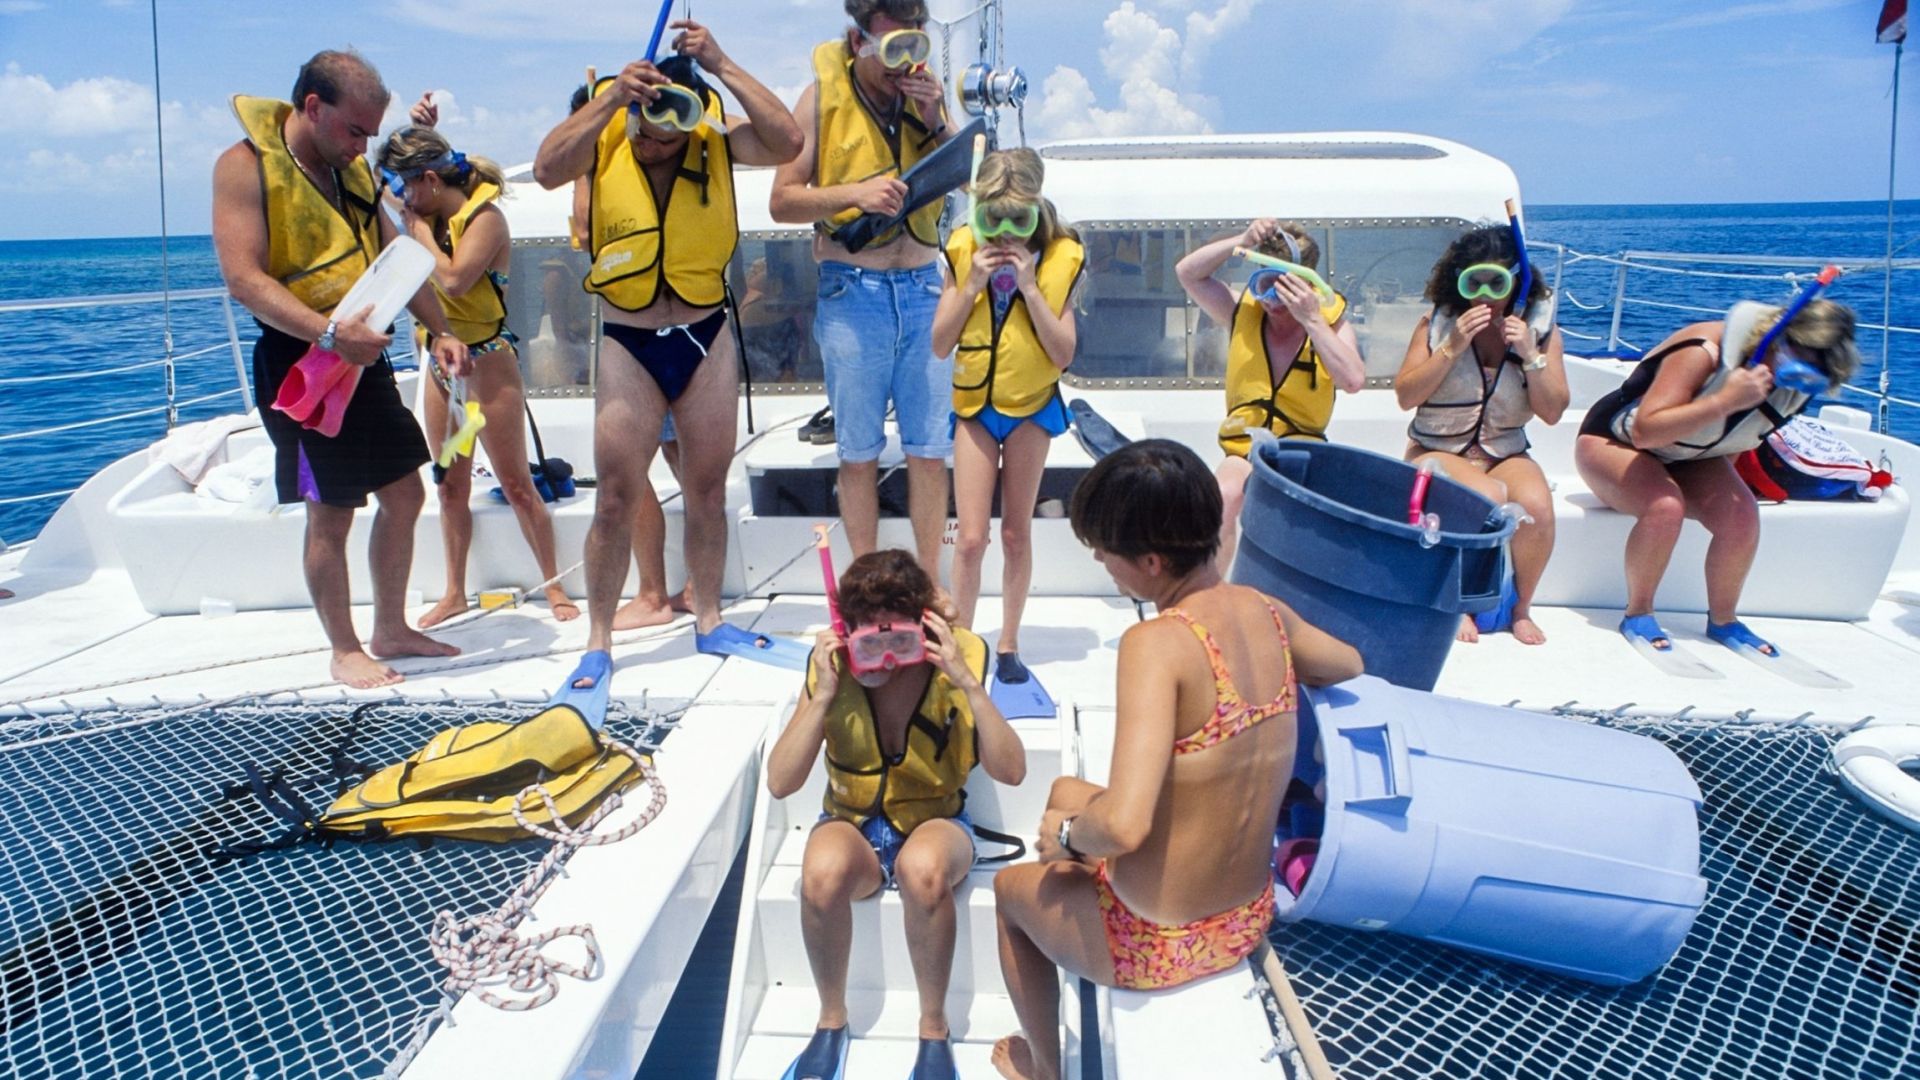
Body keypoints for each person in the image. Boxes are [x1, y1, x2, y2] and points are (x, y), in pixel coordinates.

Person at [988, 440, 1362, 1080]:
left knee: (1009, 889)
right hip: (1247, 915)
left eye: (1106, 550)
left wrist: (1070, 839)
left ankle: (1045, 1071)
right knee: (1067, 790)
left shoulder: (1157, 644)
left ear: (1154, 561)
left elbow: (1127, 827)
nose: (1102, 561)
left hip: (1159, 942)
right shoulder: (1266, 612)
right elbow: (1349, 663)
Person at [532, 21, 802, 685]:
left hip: (704, 336)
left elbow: (789, 140)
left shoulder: (713, 138)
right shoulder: (605, 137)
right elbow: (544, 170)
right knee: (615, 499)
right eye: (646, 127)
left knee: (707, 493)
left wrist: (722, 61)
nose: (654, 141)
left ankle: (708, 620)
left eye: (669, 130)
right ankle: (599, 640)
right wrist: (608, 99)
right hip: (629, 338)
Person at [212, 49, 468, 689]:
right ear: (313, 106)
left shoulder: (352, 174)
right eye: (355, 130)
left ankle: (390, 628)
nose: (363, 146)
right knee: (330, 509)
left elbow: (399, 257)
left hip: (364, 361)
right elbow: (243, 279)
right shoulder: (243, 168)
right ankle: (344, 648)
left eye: (370, 133)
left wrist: (441, 329)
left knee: (405, 493)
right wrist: (329, 333)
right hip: (301, 369)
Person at [766, 549, 1027, 1080]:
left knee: (922, 870)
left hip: (938, 822)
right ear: (845, 631)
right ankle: (831, 1020)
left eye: (900, 643)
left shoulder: (959, 660)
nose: (884, 659)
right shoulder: (831, 669)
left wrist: (968, 683)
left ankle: (934, 1029)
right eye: (870, 644)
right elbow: (779, 782)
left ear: (924, 629)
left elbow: (1014, 771)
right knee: (819, 873)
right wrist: (821, 700)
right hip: (853, 824)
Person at [770, 0, 959, 577]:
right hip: (855, 291)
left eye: (916, 42)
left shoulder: (927, 96)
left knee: (930, 452)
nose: (907, 61)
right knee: (859, 452)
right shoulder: (818, 99)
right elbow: (783, 200)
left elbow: (974, 173)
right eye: (892, 47)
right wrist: (855, 193)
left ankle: (927, 584)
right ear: (858, 42)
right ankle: (869, 586)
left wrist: (937, 121)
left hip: (926, 288)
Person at [375, 122, 579, 628]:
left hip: (489, 368)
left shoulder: (484, 219)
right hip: (443, 374)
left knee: (515, 483)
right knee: (449, 484)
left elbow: (455, 280)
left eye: (404, 187)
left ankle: (553, 586)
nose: (401, 200)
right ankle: (453, 592)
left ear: (427, 179)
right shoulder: (428, 215)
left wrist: (414, 229)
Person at [1575, 296, 1860, 657]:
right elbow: (1645, 431)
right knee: (1665, 506)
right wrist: (1724, 401)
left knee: (1741, 516)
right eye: (1793, 365)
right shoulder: (1703, 350)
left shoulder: (1799, 382)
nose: (1794, 379)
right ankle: (1639, 612)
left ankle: (1724, 620)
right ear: (1775, 338)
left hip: (1693, 454)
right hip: (1612, 443)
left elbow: (1739, 438)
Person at [930, 148, 1083, 683]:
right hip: (975, 408)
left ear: (1036, 211)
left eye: (1019, 219)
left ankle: (1010, 644)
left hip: (1031, 408)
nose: (1003, 234)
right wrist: (971, 283)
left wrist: (1029, 287)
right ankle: (964, 642)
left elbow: (1062, 353)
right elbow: (940, 343)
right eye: (990, 218)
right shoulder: (960, 252)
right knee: (970, 538)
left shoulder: (1062, 256)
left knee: (1017, 533)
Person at [1395, 224, 1568, 645]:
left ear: (1517, 283)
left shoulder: (1539, 334)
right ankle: (1462, 606)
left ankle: (1520, 608)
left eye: (1497, 282)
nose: (1486, 295)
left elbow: (1552, 412)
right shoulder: (1436, 326)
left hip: (1504, 450)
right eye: (1475, 282)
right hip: (1436, 449)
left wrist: (1530, 357)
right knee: (1486, 497)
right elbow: (1406, 395)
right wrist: (1451, 347)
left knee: (1537, 507)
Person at [1174, 220, 1365, 571]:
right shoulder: (1241, 312)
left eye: (1286, 291)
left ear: (1306, 288)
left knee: (1296, 518)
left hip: (1302, 449)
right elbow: (1187, 273)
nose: (1274, 303)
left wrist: (1312, 321)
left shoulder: (1329, 323)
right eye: (1265, 287)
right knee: (1222, 497)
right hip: (1246, 446)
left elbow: (1352, 380)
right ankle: (1211, 597)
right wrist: (1241, 241)